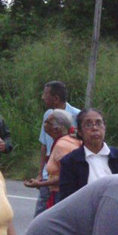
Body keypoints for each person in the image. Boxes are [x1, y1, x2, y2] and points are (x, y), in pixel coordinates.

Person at [34, 81, 81, 216]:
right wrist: (40, 174)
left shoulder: (77, 115)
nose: (43, 97)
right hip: (47, 173)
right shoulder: (48, 115)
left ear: (56, 98)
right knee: (41, 214)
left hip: (63, 179)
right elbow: (44, 145)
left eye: (45, 94)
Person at [23, 110, 81, 207]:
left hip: (61, 195)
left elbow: (65, 176)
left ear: (56, 129)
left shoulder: (61, 146)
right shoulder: (69, 140)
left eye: (47, 122)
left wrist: (40, 184)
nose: (44, 124)